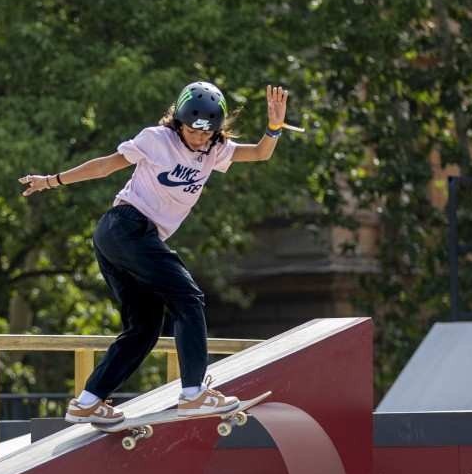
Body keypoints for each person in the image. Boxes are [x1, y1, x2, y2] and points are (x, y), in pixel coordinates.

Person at [21, 82, 291, 423]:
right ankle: (193, 394)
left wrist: (274, 126)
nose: (199, 139)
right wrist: (51, 180)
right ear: (179, 122)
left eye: (206, 133)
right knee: (188, 297)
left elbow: (260, 153)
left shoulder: (215, 149)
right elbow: (105, 166)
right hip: (125, 226)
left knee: (145, 327)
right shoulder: (157, 139)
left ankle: (88, 401)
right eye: (192, 131)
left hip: (130, 239)